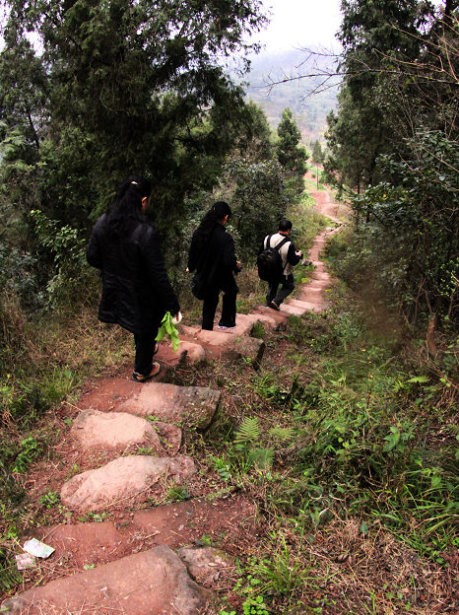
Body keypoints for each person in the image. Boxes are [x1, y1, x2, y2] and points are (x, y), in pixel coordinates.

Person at [87, 175, 180, 382]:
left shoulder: (103, 222)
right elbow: (158, 275)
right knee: (146, 326)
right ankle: (142, 371)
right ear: (144, 201)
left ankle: (146, 352)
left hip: (115, 288)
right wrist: (173, 304)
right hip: (141, 293)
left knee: (138, 325)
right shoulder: (145, 232)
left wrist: (113, 269)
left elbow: (92, 257)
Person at [187, 201, 242, 331]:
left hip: (204, 274)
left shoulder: (199, 233)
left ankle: (206, 330)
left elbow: (192, 253)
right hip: (219, 274)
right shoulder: (225, 238)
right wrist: (236, 265)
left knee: (209, 304)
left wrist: (191, 266)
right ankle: (226, 321)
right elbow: (228, 260)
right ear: (226, 217)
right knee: (231, 290)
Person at [262, 218, 302, 311]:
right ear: (289, 230)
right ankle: (276, 301)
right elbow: (293, 261)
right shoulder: (289, 244)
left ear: (278, 228)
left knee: (272, 286)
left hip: (268, 269)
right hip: (282, 272)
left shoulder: (267, 238)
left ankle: (269, 306)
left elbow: (262, 252)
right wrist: (299, 255)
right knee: (290, 285)